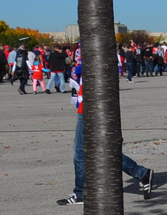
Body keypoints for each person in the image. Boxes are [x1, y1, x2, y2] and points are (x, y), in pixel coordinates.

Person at [56, 74, 155, 206]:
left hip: (91, 107)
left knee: (81, 152)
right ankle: (141, 173)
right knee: (100, 150)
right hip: (86, 105)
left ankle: (81, 193)